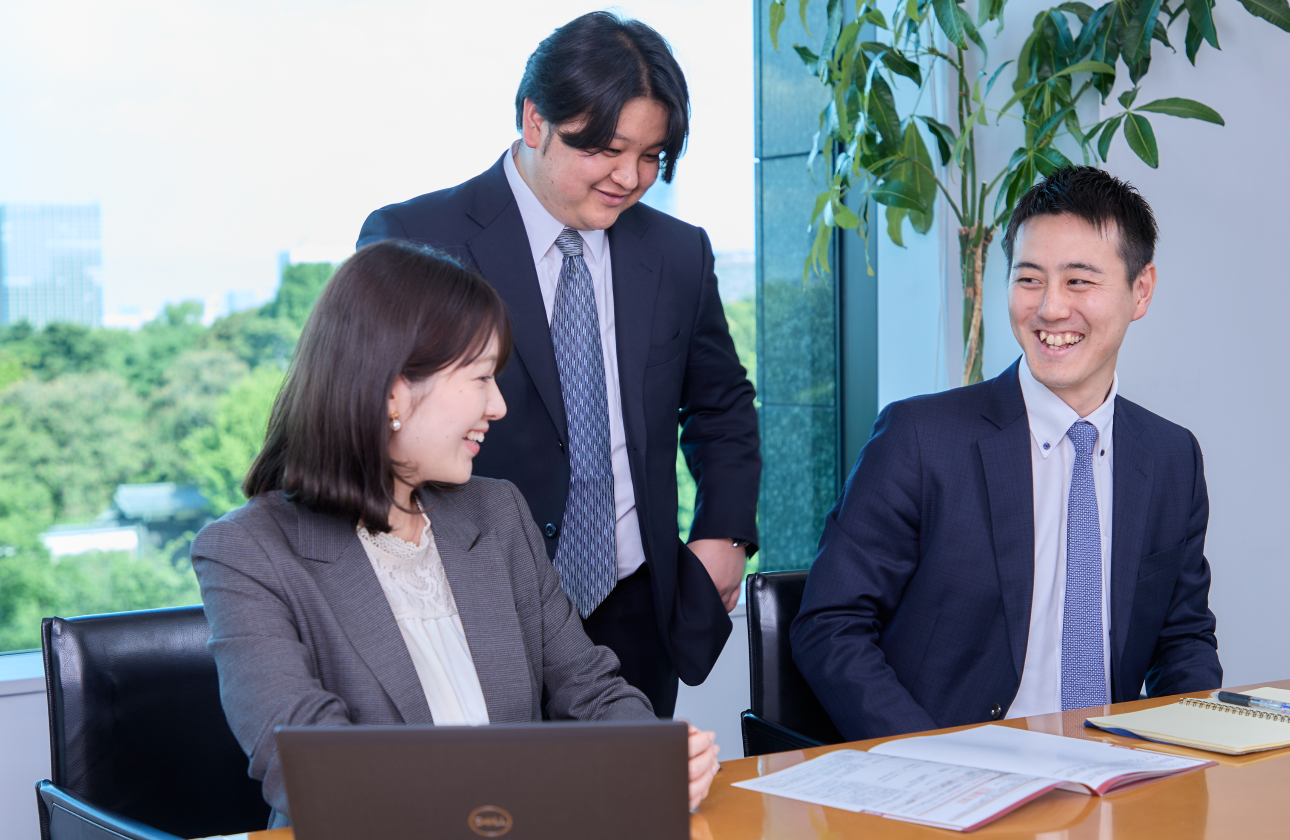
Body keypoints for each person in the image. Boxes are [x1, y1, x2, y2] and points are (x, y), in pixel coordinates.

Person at [191, 241, 720, 827]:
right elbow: (315, 772)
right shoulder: (246, 552)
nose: (498, 406)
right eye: (481, 377)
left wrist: (650, 758)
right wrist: (550, 788)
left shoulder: (497, 512)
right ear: (393, 391)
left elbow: (590, 689)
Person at [356, 12, 760, 718]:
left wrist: (723, 536)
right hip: (473, 602)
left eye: (652, 156)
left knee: (633, 787)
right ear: (534, 120)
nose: (630, 178)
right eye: (606, 150)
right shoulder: (416, 237)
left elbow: (721, 405)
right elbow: (370, 419)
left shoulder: (677, 253)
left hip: (636, 607)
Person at [791, 166, 1222, 740]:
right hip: (950, 767)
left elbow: (1183, 640)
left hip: (1109, 772)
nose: (1050, 308)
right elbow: (829, 625)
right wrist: (931, 760)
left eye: (1078, 281)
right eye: (1029, 279)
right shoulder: (920, 439)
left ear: (1140, 290)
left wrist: (1193, 752)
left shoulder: (1171, 457)